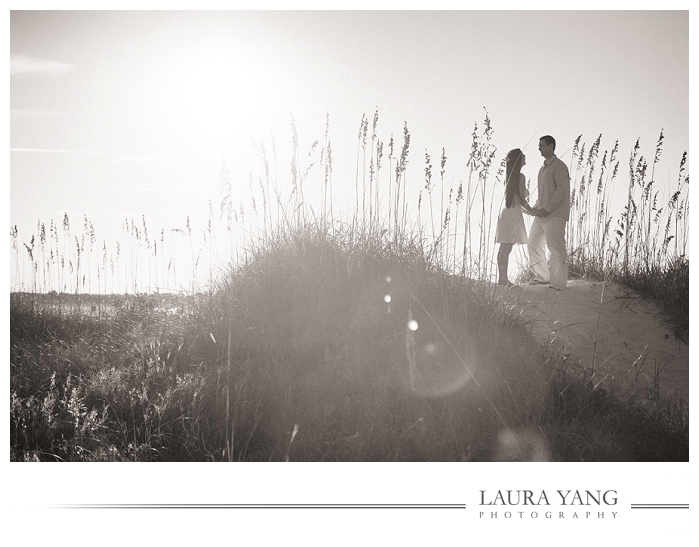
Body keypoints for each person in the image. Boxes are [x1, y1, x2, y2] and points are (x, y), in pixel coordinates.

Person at [527, 135, 571, 290]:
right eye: (539, 146)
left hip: (555, 214)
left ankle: (558, 283)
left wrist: (548, 208)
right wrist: (535, 208)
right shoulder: (542, 169)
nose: (539, 148)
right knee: (533, 243)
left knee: (556, 248)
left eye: (542, 146)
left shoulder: (559, 166)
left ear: (551, 146)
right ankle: (543, 277)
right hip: (542, 213)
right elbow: (543, 194)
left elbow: (562, 190)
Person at [495, 148, 532, 286]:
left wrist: (529, 212)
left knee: (505, 247)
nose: (525, 156)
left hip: (507, 213)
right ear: (518, 159)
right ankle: (502, 278)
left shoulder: (509, 177)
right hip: (513, 214)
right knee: (506, 247)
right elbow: (522, 200)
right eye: (523, 155)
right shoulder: (520, 177)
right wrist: (533, 211)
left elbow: (517, 201)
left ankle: (502, 277)